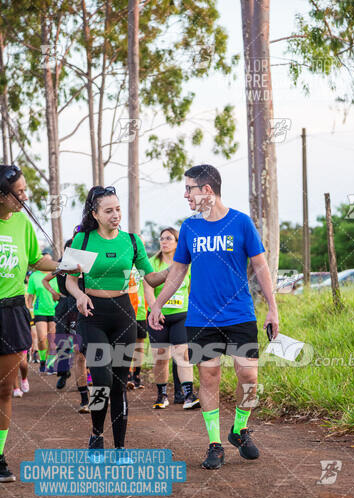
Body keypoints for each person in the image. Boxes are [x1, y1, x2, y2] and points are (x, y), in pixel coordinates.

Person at [148, 164, 279, 470]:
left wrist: (273, 308)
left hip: (239, 314)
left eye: (189, 188)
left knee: (249, 376)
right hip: (201, 318)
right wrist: (157, 304)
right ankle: (215, 444)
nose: (186, 194)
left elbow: (261, 268)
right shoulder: (190, 228)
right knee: (209, 376)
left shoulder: (241, 222)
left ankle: (240, 429)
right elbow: (178, 271)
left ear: (207, 190)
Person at [66, 185, 169, 451]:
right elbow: (69, 281)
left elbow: (152, 278)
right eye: (108, 210)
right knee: (102, 379)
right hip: (93, 314)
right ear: (95, 213)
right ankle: (97, 434)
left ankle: (120, 446)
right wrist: (79, 294)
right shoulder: (84, 240)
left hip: (124, 314)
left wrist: (179, 265)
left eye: (118, 209)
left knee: (120, 383)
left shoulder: (132, 241)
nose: (115, 215)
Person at [0, 164, 79, 483]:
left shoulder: (21, 222)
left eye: (24, 190)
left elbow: (36, 259)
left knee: (5, 387)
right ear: (2, 195)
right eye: (19, 192)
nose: (24, 197)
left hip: (11, 311)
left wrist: (65, 265)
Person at [144, 227, 199, 410]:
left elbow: (191, 290)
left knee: (182, 354)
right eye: (161, 238)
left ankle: (188, 394)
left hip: (181, 315)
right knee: (161, 357)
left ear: (177, 242)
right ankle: (162, 394)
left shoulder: (185, 264)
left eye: (169, 238)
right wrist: (155, 310)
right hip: (158, 316)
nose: (164, 242)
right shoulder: (151, 263)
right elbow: (148, 290)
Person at [43, 237, 89, 413]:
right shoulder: (61, 265)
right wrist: (55, 293)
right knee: (63, 341)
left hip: (82, 304)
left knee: (81, 348)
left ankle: (88, 385)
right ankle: (63, 373)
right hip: (65, 305)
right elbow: (45, 280)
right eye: (70, 249)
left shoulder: (84, 265)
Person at [27, 262, 59, 374]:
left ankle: (50, 365)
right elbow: (30, 296)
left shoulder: (56, 274)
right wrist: (29, 310)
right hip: (39, 311)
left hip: (55, 310)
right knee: (41, 338)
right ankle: (42, 360)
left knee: (52, 340)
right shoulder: (34, 276)